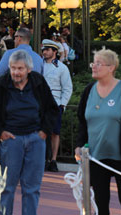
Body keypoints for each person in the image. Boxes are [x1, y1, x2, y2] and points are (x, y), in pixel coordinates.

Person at [0, 50, 59, 215]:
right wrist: (0, 131)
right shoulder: (2, 84)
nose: (16, 72)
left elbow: (52, 109)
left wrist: (44, 131)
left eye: (20, 69)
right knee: (7, 187)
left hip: (35, 138)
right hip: (11, 140)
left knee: (32, 188)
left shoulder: (38, 82)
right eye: (13, 68)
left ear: (29, 69)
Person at [75, 49, 121, 215]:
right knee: (100, 201)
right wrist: (79, 145)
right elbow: (82, 122)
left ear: (111, 67)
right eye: (93, 63)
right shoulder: (89, 90)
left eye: (99, 63)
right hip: (97, 156)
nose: (94, 67)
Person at [40, 39, 73, 172]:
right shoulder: (38, 65)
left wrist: (62, 105)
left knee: (54, 133)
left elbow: (67, 88)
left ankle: (53, 160)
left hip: (54, 103)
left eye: (47, 50)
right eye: (43, 50)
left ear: (54, 51)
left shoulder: (62, 67)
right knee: (40, 132)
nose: (44, 52)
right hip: (40, 103)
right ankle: (41, 159)